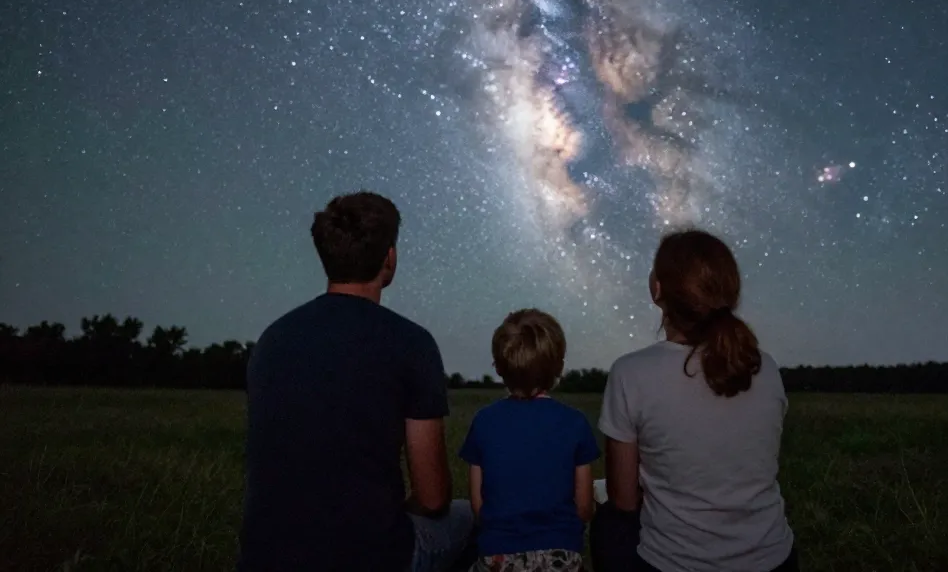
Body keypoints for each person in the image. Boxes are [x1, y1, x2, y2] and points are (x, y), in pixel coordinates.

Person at [237, 191, 475, 572]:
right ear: (390, 259)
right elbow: (432, 498)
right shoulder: (410, 343)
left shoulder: (273, 338)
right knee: (471, 517)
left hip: (264, 558)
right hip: (371, 558)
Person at [591, 229, 798, 572]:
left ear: (657, 290)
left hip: (672, 563)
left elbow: (624, 500)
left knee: (608, 522)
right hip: (774, 559)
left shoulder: (631, 374)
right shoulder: (766, 368)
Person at [458, 309, 601, 572]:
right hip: (562, 557)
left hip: (497, 558)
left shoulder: (484, 422)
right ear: (559, 366)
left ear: (499, 366)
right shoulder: (575, 423)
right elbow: (583, 508)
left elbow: (479, 508)